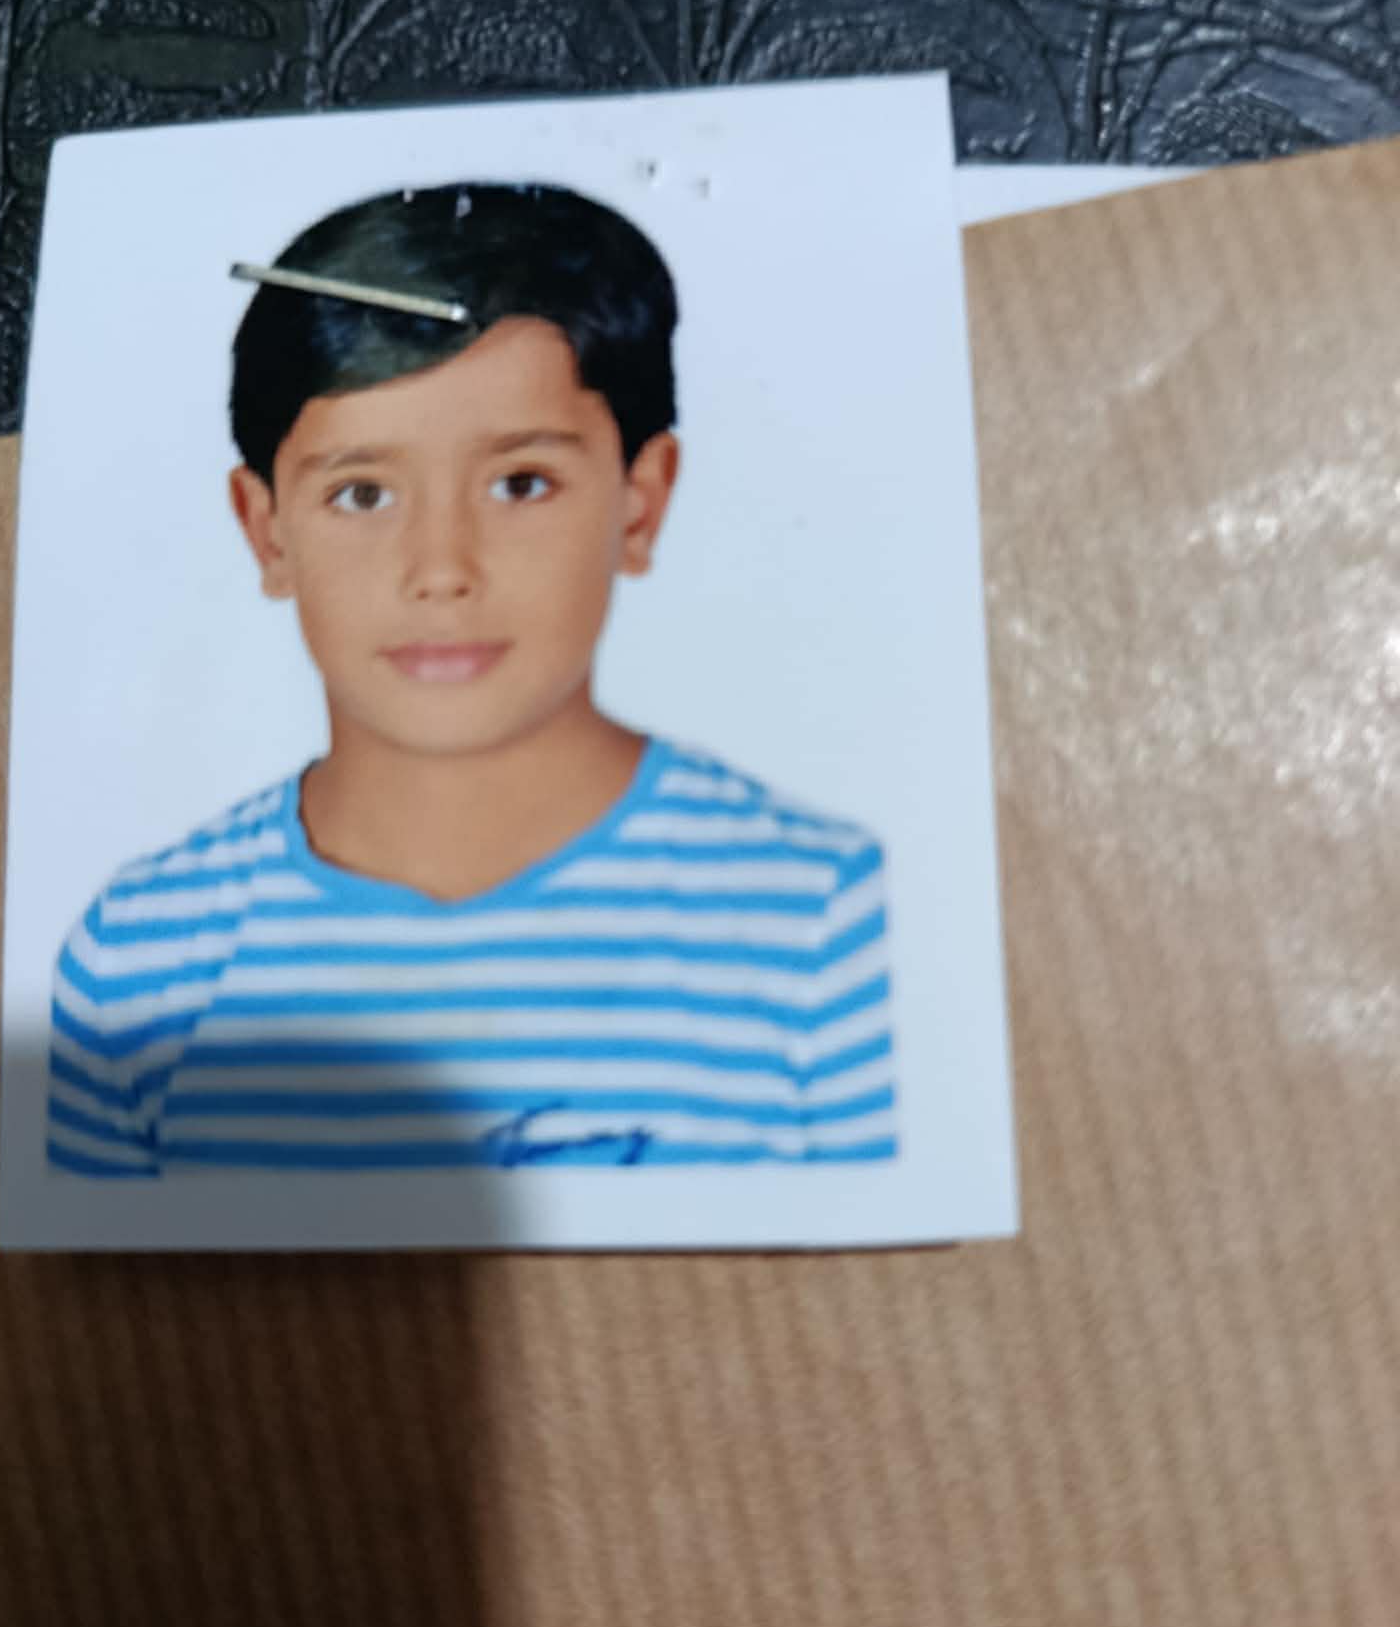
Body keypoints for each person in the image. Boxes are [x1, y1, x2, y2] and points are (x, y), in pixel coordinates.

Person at [46, 181, 895, 1174]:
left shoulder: (821, 925)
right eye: (363, 494)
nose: (442, 569)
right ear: (266, 529)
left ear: (639, 502)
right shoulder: (138, 957)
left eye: (520, 484)